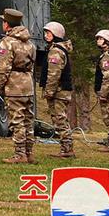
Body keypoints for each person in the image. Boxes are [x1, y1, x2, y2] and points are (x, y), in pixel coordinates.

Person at [0, 8, 36, 164]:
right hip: (28, 85)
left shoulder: (7, 42)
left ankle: (19, 154)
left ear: (7, 24)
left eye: (3, 21)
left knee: (16, 121)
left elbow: (3, 68)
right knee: (28, 120)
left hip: (14, 86)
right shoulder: (29, 43)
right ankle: (29, 153)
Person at [39, 21, 74, 158]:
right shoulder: (58, 49)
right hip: (60, 91)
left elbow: (54, 74)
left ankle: (66, 148)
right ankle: (66, 147)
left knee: (60, 120)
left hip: (58, 91)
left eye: (48, 33)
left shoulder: (56, 51)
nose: (46, 36)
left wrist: (49, 91)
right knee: (60, 119)